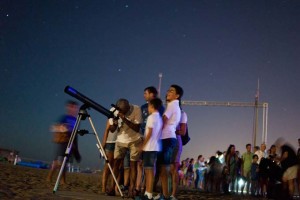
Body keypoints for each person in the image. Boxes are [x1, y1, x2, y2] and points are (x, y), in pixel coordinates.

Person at [106, 98, 142, 198]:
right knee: (116, 163)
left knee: (133, 165)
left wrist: (124, 118)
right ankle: (112, 187)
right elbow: (113, 130)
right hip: (121, 140)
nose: (122, 113)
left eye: (124, 111)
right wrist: (114, 122)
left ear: (128, 107)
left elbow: (137, 128)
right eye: (121, 111)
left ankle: (132, 189)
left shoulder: (136, 109)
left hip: (134, 140)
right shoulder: (114, 111)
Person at [156, 84, 183, 200]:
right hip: (169, 138)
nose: (168, 92)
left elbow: (162, 122)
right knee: (163, 169)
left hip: (167, 138)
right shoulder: (176, 106)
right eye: (168, 90)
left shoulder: (172, 105)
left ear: (177, 96)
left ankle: (165, 195)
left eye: (171, 91)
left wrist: (153, 135)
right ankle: (164, 194)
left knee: (163, 169)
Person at [46, 100, 81, 184]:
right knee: (58, 162)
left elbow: (75, 134)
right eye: (72, 107)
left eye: (75, 108)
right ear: (69, 107)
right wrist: (62, 128)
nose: (74, 109)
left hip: (70, 142)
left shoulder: (76, 120)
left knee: (64, 162)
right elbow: (53, 128)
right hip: (62, 142)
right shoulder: (64, 117)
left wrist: (75, 147)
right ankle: (50, 177)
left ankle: (62, 180)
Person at [140, 98, 163, 200]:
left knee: (148, 171)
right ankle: (147, 193)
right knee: (150, 171)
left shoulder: (151, 117)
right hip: (155, 147)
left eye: (148, 106)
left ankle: (148, 194)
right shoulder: (159, 118)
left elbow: (149, 133)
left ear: (152, 106)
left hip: (149, 147)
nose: (147, 108)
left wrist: (142, 145)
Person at [101, 116, 118, 193]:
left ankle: (112, 188)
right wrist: (103, 144)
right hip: (110, 142)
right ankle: (103, 188)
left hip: (119, 142)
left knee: (116, 166)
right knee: (108, 165)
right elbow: (107, 129)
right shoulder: (112, 112)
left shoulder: (127, 111)